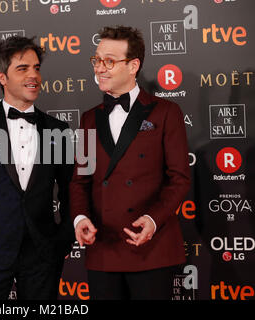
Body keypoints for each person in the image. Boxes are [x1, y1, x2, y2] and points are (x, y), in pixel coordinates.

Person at [69, 26, 191, 300]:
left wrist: (152, 219)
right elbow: (80, 180)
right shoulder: (89, 119)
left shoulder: (166, 112)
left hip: (150, 249)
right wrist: (80, 218)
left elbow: (179, 179)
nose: (99, 68)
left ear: (133, 65)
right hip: (103, 250)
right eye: (97, 60)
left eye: (109, 61)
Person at [0, 36, 75, 300]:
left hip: (42, 253)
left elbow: (70, 190)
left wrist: (64, 238)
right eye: (23, 68)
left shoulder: (58, 131)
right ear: (2, 78)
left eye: (37, 68)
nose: (33, 75)